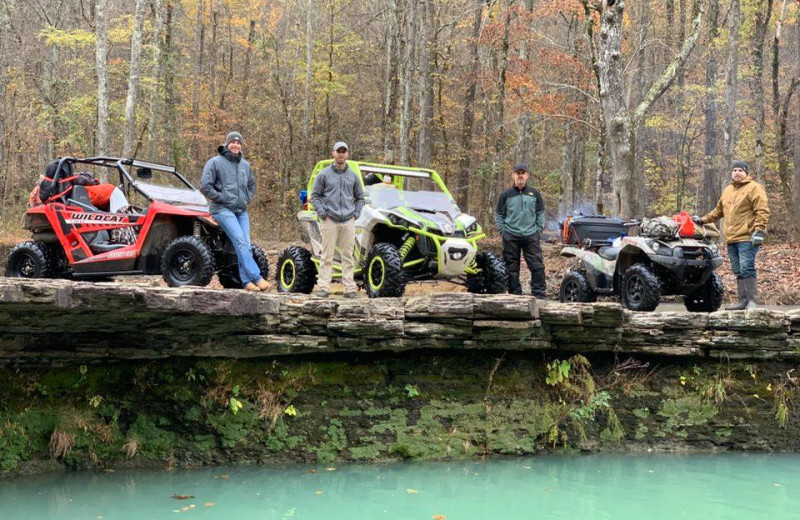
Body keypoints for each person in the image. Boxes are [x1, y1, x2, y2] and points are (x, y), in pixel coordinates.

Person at [693, 160, 770, 310]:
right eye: (734, 170)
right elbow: (718, 211)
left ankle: (752, 301)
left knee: (747, 267)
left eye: (740, 170)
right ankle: (743, 302)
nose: (737, 173)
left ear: (746, 173)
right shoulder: (728, 190)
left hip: (748, 237)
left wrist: (759, 230)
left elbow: (762, 210)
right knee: (738, 269)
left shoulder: (754, 188)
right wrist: (702, 220)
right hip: (731, 238)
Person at [200, 131, 267, 292]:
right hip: (221, 209)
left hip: (241, 211)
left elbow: (252, 185)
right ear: (227, 144)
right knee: (240, 241)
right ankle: (256, 277)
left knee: (246, 245)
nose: (236, 145)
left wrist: (246, 199)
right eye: (233, 142)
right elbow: (205, 186)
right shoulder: (215, 162)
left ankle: (246, 282)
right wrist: (221, 197)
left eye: (238, 143)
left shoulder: (245, 165)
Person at [310, 141, 365, 298]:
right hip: (330, 220)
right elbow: (315, 196)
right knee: (326, 255)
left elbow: (360, 197)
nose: (341, 154)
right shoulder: (324, 174)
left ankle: (349, 288)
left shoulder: (353, 176)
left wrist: (356, 214)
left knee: (348, 255)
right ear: (333, 153)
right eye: (338, 151)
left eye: (344, 151)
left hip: (348, 220)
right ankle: (323, 287)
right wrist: (323, 213)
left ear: (347, 154)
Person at [494, 163, 546, 297]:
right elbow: (499, 214)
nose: (520, 176)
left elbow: (540, 213)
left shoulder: (535, 194)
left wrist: (538, 229)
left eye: (523, 173)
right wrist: (503, 231)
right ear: (513, 176)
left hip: (531, 235)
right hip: (511, 236)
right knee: (511, 268)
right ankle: (515, 295)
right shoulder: (506, 194)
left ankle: (539, 295)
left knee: (537, 266)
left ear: (527, 176)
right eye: (518, 173)